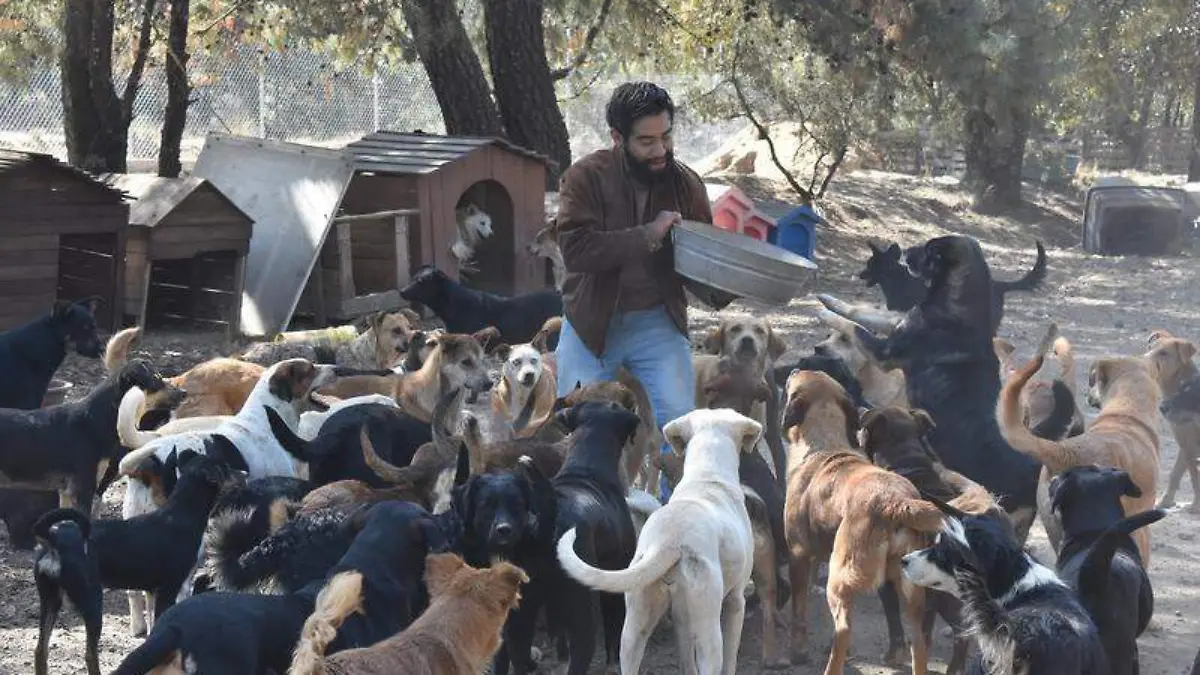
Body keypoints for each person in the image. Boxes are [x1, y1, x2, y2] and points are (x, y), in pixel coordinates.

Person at [554, 81, 735, 500]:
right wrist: (647, 235)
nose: (660, 150)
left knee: (683, 429)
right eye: (647, 141)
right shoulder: (584, 177)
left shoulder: (686, 184)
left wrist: (724, 285)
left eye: (667, 136)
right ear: (617, 138)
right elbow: (577, 251)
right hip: (591, 324)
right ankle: (585, 523)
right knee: (577, 426)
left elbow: (700, 261)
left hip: (657, 320)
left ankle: (680, 525)